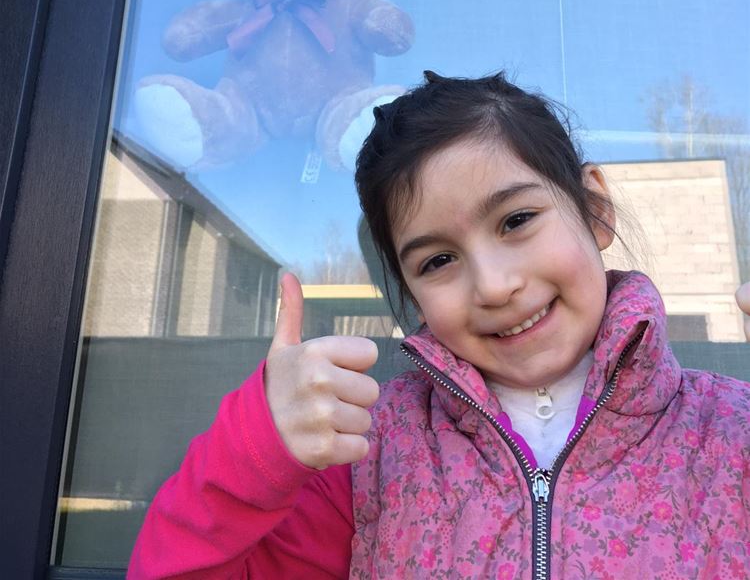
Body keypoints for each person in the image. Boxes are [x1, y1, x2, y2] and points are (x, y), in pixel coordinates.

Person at [128, 71, 750, 579]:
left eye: (516, 220)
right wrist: (256, 446)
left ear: (594, 208)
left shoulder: (732, 432)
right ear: (412, 295)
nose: (494, 286)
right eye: (438, 261)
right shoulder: (364, 459)